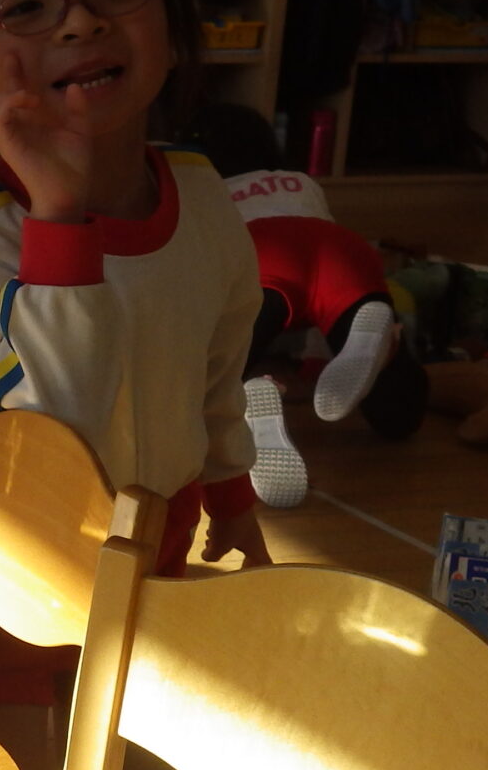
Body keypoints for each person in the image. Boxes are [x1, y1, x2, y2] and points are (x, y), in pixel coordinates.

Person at [0, 0, 269, 578]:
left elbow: (216, 373)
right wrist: (57, 212)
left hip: (161, 534)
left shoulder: (202, 196)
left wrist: (232, 495)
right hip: (9, 564)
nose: (82, 21)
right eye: (26, 6)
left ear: (172, 22)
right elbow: (55, 435)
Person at [178, 101, 427, 509]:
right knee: (399, 418)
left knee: (212, 373)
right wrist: (319, 359)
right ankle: (384, 350)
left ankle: (246, 399)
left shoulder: (204, 189)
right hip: (341, 251)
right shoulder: (301, 182)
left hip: (263, 255)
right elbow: (313, 268)